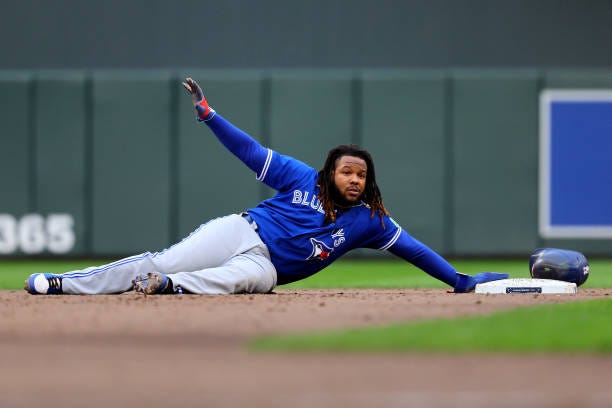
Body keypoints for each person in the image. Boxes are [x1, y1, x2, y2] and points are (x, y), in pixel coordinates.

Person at [24, 77, 507, 296]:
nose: (355, 180)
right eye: (347, 172)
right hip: (242, 231)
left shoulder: (371, 221)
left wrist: (461, 281)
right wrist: (210, 116)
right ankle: (65, 284)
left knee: (244, 282)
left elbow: (417, 251)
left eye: (362, 175)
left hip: (266, 266)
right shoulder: (302, 177)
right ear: (331, 172)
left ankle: (168, 289)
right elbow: (251, 152)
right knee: (164, 258)